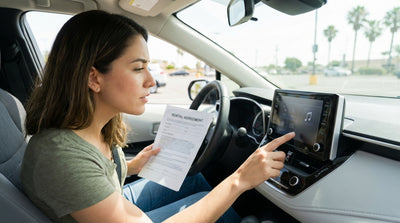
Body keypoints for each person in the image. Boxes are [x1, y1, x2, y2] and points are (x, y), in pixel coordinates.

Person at [21, 10, 295, 223]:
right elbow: (78, 171)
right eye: (138, 68)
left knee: (196, 184)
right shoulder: (60, 156)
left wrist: (133, 166)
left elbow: (95, 174)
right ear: (94, 78)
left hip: (110, 201)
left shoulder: (91, 129)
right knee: (219, 200)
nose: (151, 81)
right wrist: (240, 180)